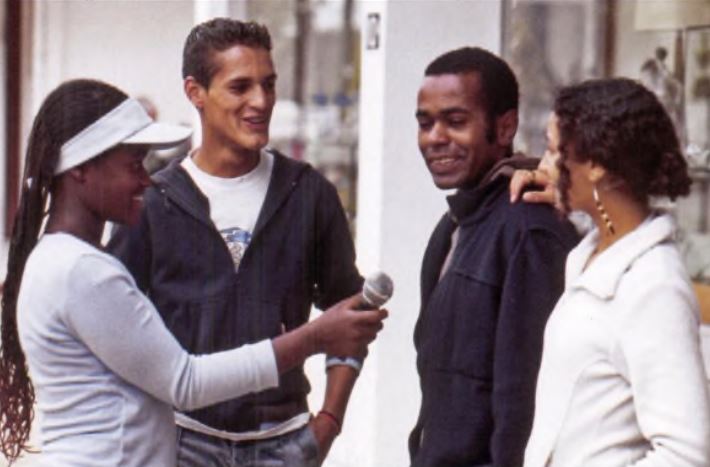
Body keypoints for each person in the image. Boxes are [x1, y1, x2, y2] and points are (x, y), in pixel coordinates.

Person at [0, 79, 386, 467]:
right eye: (133, 164)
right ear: (81, 169)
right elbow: (186, 382)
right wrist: (315, 337)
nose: (146, 179)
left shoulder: (59, 260)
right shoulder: (82, 272)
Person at [108, 18, 368, 466]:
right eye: (240, 87)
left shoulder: (309, 194)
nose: (261, 101)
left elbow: (351, 313)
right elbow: (115, 330)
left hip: (286, 443)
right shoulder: (152, 202)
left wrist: (329, 422)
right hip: (179, 443)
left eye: (269, 84)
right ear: (195, 93)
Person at [508, 78, 710, 467]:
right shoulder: (598, 254)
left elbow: (686, 453)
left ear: (597, 166)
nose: (543, 165)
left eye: (553, 152)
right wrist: (572, 197)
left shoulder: (653, 288)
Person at [409, 47, 579, 467]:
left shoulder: (530, 230)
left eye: (456, 121)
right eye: (426, 123)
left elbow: (526, 399)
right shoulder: (455, 224)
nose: (435, 138)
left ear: (505, 128)